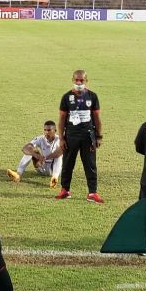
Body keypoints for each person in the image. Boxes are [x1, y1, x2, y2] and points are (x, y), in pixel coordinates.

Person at [55, 70, 104, 204]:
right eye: (76, 80)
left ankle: (92, 193)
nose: (78, 83)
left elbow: (97, 118)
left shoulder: (92, 96)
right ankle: (65, 190)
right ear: (72, 80)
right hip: (71, 136)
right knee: (67, 164)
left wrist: (99, 136)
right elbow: (61, 119)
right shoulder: (66, 97)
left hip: (88, 136)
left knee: (90, 165)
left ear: (86, 81)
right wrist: (61, 138)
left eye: (81, 80)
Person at [7, 121, 63, 188]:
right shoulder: (40, 138)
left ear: (55, 131)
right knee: (29, 150)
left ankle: (54, 179)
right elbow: (25, 148)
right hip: (42, 167)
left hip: (55, 168)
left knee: (58, 156)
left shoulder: (60, 140)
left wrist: (45, 158)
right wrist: (37, 156)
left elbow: (59, 153)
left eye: (49, 130)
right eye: (45, 130)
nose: (46, 132)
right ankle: (18, 174)